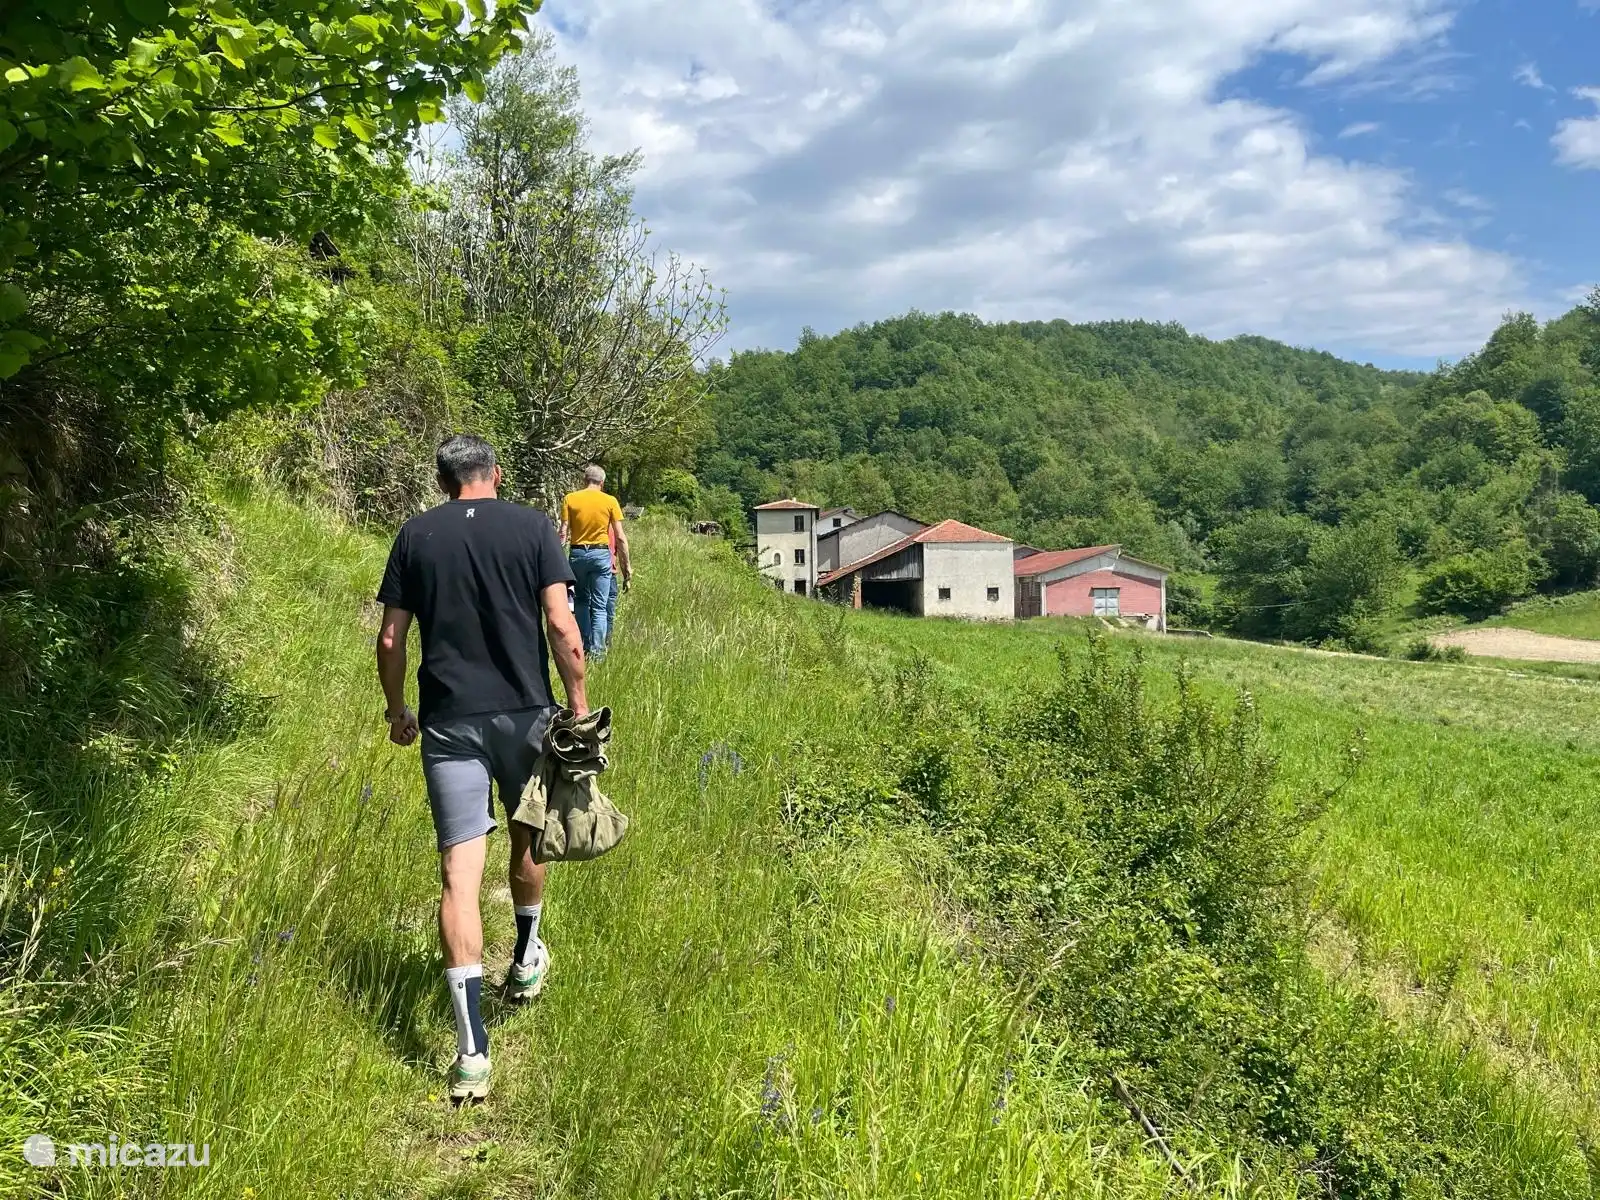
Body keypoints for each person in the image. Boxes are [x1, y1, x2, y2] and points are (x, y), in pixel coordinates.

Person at [375, 435, 587, 1103]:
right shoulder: (533, 528)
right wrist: (578, 706)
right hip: (525, 713)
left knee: (458, 875)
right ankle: (524, 958)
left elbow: (391, 637)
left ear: (443, 482)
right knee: (529, 837)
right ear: (496, 473)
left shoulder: (415, 536)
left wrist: (397, 710)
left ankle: (471, 1054)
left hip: (448, 722)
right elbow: (561, 625)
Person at [560, 464, 631, 659]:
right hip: (600, 554)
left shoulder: (570, 498)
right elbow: (620, 537)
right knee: (600, 607)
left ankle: (583, 646)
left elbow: (563, 533)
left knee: (581, 601)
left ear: (584, 480)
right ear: (602, 482)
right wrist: (627, 567)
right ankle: (598, 653)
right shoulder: (610, 500)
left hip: (577, 554)